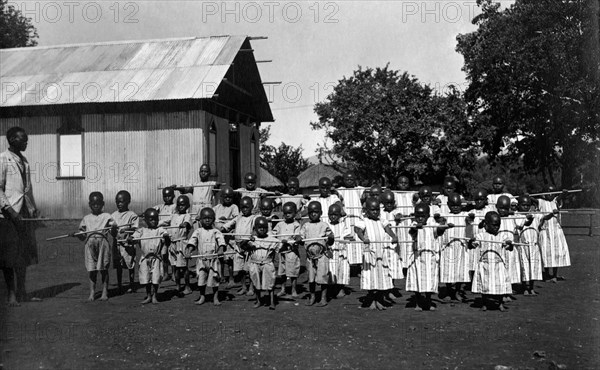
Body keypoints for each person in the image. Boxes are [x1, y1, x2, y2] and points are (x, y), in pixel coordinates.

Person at [0, 127, 40, 306]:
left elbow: (27, 189)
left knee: (23, 255)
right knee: (9, 256)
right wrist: (10, 211)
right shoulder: (2, 159)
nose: (26, 142)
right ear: (11, 140)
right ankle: (11, 294)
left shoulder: (24, 161)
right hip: (7, 215)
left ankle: (22, 291)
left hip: (23, 213)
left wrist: (33, 209)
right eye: (23, 139)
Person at [354, 197, 398, 310]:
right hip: (370, 255)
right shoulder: (363, 221)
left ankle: (379, 300)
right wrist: (363, 238)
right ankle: (371, 301)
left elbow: (388, 229)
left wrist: (393, 236)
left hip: (381, 254)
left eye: (377, 209)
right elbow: (358, 231)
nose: (375, 212)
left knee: (381, 278)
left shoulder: (382, 221)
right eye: (372, 210)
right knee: (371, 278)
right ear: (367, 210)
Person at [468, 211, 514, 311]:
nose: (496, 227)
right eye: (493, 225)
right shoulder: (481, 236)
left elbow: (509, 248)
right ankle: (484, 304)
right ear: (486, 225)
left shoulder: (502, 236)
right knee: (485, 284)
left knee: (501, 284)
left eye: (498, 225)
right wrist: (471, 242)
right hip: (485, 264)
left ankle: (500, 304)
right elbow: (472, 246)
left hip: (498, 264)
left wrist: (510, 245)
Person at [75, 192, 115, 301]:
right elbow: (83, 236)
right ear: (89, 204)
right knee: (91, 269)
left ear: (103, 204)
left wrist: (114, 228)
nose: (96, 206)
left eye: (98, 203)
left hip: (103, 243)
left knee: (103, 268)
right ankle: (92, 292)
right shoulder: (86, 218)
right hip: (90, 244)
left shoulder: (107, 216)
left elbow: (114, 232)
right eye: (93, 204)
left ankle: (104, 292)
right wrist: (78, 235)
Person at [406, 204, 445, 311]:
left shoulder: (432, 224)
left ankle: (428, 300)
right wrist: (416, 228)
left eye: (422, 216)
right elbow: (411, 232)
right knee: (417, 279)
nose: (420, 218)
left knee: (430, 280)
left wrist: (443, 226)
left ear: (428, 216)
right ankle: (418, 302)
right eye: (417, 216)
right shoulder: (414, 224)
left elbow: (438, 232)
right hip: (417, 257)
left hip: (430, 257)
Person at [127, 208, 170, 304]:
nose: (154, 221)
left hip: (156, 258)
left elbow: (167, 239)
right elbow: (133, 237)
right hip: (145, 258)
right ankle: (148, 295)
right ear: (146, 220)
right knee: (146, 278)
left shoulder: (160, 230)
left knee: (155, 278)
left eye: (155, 219)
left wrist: (166, 237)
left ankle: (155, 295)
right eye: (151, 219)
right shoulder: (141, 230)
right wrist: (131, 239)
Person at [296, 201, 334, 307]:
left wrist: (331, 238)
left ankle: (323, 298)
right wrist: (298, 238)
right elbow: (300, 237)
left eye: (316, 212)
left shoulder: (324, 225)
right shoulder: (306, 226)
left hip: (322, 256)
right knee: (311, 278)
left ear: (321, 213)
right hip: (310, 257)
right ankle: (312, 296)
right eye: (311, 212)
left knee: (322, 277)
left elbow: (330, 241)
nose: (313, 214)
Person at [185, 208, 226, 306]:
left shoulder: (216, 232)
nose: (207, 220)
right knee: (201, 279)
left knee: (214, 279)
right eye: (205, 218)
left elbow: (221, 242)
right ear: (200, 220)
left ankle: (215, 297)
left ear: (213, 219)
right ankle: (202, 296)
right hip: (202, 260)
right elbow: (192, 242)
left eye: (210, 218)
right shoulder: (198, 231)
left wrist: (220, 250)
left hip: (213, 260)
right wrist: (189, 251)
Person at [242, 217, 281, 309]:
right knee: (256, 282)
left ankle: (272, 302)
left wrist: (284, 243)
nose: (262, 229)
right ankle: (258, 300)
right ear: (255, 229)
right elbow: (243, 246)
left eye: (264, 227)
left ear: (267, 228)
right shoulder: (252, 239)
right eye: (259, 227)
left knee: (270, 282)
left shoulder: (272, 239)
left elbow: (280, 248)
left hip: (267, 263)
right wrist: (247, 240)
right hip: (255, 263)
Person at [515, 195, 550, 295]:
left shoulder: (535, 215)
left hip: (534, 246)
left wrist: (552, 214)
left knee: (534, 267)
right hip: (523, 246)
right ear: (518, 206)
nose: (525, 207)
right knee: (524, 267)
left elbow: (545, 217)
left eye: (527, 205)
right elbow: (524, 224)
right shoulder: (516, 216)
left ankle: (531, 287)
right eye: (523, 205)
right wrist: (529, 219)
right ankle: (525, 288)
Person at [221, 196, 257, 295]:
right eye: (242, 207)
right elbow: (229, 224)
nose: (244, 209)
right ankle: (243, 286)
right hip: (238, 246)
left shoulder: (254, 218)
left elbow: (256, 229)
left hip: (248, 246)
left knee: (249, 269)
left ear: (252, 207)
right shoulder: (238, 218)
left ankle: (251, 287)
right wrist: (223, 229)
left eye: (247, 207)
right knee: (240, 269)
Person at [535, 187, 571, 283]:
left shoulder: (555, 201)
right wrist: (526, 195)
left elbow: (559, 198)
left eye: (552, 192)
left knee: (556, 253)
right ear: (544, 194)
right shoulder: (541, 201)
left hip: (556, 232)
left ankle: (554, 275)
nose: (550, 194)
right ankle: (547, 274)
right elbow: (533, 200)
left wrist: (563, 194)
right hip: (545, 231)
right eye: (548, 192)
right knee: (545, 253)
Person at [438, 193, 470, 301]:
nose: (455, 207)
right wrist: (443, 223)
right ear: (448, 205)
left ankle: (457, 291)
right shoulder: (445, 216)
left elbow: (470, 226)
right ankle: (448, 291)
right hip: (448, 246)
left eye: (458, 205)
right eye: (452, 205)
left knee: (460, 270)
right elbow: (440, 228)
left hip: (461, 247)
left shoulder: (465, 215)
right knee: (448, 269)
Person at [164, 195, 193, 296]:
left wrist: (184, 224)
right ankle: (177, 285)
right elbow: (165, 222)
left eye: (183, 205)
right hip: (173, 243)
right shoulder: (173, 215)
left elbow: (188, 223)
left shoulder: (187, 216)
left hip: (182, 243)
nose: (181, 207)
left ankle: (188, 286)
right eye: (179, 205)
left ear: (187, 206)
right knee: (175, 267)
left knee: (183, 267)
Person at [111, 190, 139, 294]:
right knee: (119, 265)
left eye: (122, 202)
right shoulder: (113, 215)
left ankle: (131, 284)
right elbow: (112, 232)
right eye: (117, 202)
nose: (119, 204)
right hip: (117, 244)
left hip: (128, 244)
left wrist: (126, 230)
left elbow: (135, 229)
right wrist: (113, 230)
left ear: (128, 202)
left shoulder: (132, 215)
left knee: (130, 264)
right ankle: (119, 284)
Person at [212, 186, 239, 288]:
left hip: (229, 236)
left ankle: (231, 278)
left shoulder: (234, 207)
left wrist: (226, 222)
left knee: (229, 258)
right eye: (225, 197)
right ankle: (222, 275)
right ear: (221, 197)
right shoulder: (217, 207)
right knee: (220, 256)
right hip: (219, 236)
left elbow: (236, 219)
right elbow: (210, 214)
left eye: (230, 197)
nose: (227, 199)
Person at [273, 202, 302, 298]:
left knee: (293, 272)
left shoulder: (296, 224)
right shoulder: (280, 224)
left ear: (295, 213)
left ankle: (293, 289)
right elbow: (274, 234)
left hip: (291, 251)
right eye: (285, 213)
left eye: (290, 212)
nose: (287, 215)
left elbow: (297, 237)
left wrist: (289, 241)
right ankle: (283, 289)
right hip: (282, 251)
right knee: (282, 272)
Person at [336, 173, 365, 266]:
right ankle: (348, 266)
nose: (349, 181)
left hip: (358, 219)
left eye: (351, 179)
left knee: (359, 242)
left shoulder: (359, 189)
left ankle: (359, 265)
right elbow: (337, 196)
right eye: (347, 179)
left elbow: (365, 195)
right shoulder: (341, 190)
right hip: (346, 220)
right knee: (348, 241)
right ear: (343, 180)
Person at [325, 204, 353, 299]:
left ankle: (341, 288)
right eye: (331, 214)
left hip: (341, 251)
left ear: (340, 215)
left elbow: (347, 235)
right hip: (330, 251)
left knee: (342, 270)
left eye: (335, 214)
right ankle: (331, 288)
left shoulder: (343, 225)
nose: (333, 216)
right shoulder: (325, 225)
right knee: (331, 270)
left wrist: (347, 238)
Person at [495, 195, 521, 297]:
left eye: (505, 208)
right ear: (496, 207)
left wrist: (529, 219)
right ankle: (500, 293)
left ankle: (507, 293)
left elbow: (523, 223)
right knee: (499, 270)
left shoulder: (513, 218)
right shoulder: (494, 218)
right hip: (499, 249)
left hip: (510, 250)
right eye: (500, 208)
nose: (502, 211)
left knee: (509, 270)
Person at [380, 191, 404, 300]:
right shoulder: (380, 212)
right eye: (386, 202)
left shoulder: (396, 211)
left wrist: (399, 217)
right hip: (383, 243)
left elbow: (398, 215)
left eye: (391, 202)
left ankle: (391, 288)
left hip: (393, 244)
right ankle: (384, 290)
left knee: (393, 266)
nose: (389, 205)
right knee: (385, 266)